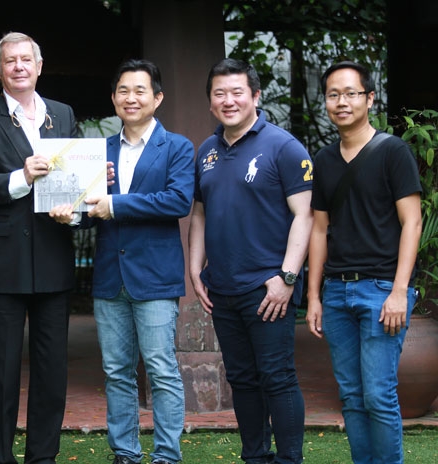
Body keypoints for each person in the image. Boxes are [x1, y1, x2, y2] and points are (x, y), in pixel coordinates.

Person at [53, 59, 194, 464]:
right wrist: (70, 214)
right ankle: (125, 453)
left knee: (161, 370)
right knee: (116, 372)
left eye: (139, 90)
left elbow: (177, 201)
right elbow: (85, 207)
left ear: (157, 98)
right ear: (114, 98)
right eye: (122, 91)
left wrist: (114, 204)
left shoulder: (178, 147)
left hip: (154, 278)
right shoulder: (99, 151)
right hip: (110, 278)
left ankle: (166, 455)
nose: (130, 98)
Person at [0, 31, 80, 464]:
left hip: (52, 257)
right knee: (0, 373)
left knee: (51, 372)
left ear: (39, 66)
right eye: (10, 61)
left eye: (26, 59)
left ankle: (43, 457)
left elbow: (75, 186)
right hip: (1, 264)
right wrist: (20, 178)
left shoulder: (61, 114)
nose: (19, 67)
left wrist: (81, 202)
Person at [188, 58, 312, 464]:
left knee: (277, 378)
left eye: (237, 92)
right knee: (241, 379)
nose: (229, 100)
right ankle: (255, 457)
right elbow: (201, 213)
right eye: (219, 93)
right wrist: (195, 267)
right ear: (210, 101)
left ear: (255, 96)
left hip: (268, 288)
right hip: (222, 287)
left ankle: (290, 459)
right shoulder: (206, 150)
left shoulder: (284, 147)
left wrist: (287, 277)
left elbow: (304, 215)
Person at [306, 61, 421, 464]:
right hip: (336, 292)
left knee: (378, 394)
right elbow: (319, 230)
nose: (342, 102)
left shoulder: (393, 151)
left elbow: (412, 222)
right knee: (352, 397)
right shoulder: (322, 160)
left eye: (351, 93)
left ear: (369, 98)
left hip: (381, 291)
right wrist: (314, 295)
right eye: (334, 94)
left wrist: (399, 291)